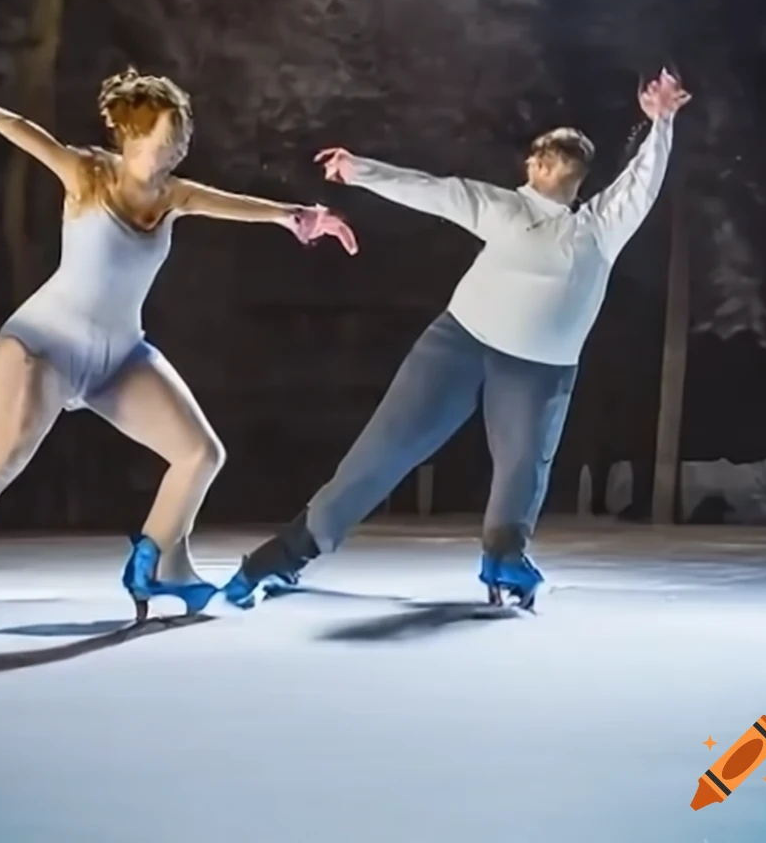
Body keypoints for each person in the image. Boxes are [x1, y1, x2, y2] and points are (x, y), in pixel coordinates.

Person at [0, 68, 358, 629]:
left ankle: (160, 561)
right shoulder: (88, 175)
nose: (177, 147)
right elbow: (32, 136)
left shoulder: (175, 194)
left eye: (182, 137)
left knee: (200, 454)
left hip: (120, 358)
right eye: (166, 136)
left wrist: (294, 217)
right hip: (43, 343)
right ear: (132, 136)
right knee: (6, 454)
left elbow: (232, 203)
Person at [223, 69, 691, 611]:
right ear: (533, 168)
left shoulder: (600, 228)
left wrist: (662, 122)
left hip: (540, 368)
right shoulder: (506, 207)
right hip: (459, 344)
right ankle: (286, 552)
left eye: (567, 156)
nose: (553, 162)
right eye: (546, 154)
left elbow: (643, 182)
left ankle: (504, 555)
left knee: (522, 465)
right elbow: (434, 192)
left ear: (577, 176)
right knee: (385, 448)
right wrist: (360, 171)